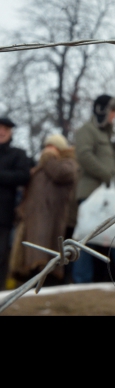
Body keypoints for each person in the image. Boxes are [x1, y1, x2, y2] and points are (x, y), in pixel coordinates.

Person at [11, 134, 78, 285]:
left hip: (52, 218)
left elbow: (62, 174)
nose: (47, 151)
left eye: (51, 147)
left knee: (47, 256)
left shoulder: (68, 164)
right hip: (32, 218)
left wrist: (49, 159)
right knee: (30, 258)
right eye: (46, 147)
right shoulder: (40, 168)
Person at [73, 95, 115, 283]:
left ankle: (107, 282)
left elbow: (114, 165)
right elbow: (84, 156)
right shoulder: (87, 130)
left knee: (108, 239)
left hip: (110, 196)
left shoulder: (107, 135)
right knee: (86, 237)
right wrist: (108, 176)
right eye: (112, 111)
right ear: (102, 110)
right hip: (91, 194)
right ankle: (81, 281)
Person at [0, 117, 32, 288]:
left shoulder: (17, 154)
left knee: (2, 255)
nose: (2, 131)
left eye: (6, 129)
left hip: (4, 215)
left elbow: (24, 176)